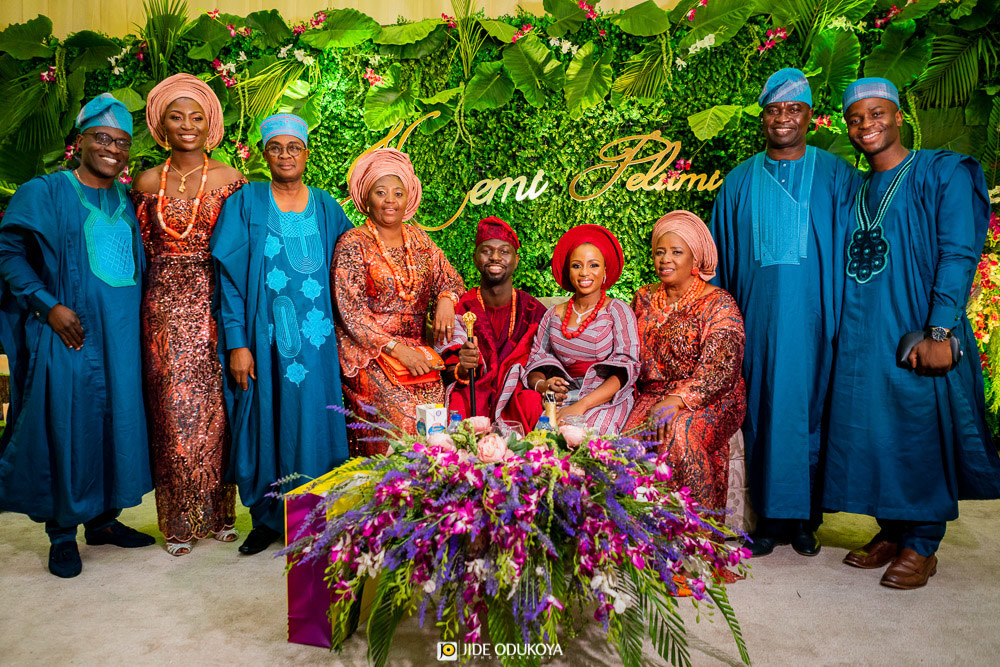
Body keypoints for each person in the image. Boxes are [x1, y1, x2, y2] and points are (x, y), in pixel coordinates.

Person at [824, 78, 1000, 589]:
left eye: (877, 114)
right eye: (855, 119)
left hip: (916, 327)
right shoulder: (856, 188)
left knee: (919, 429)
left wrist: (940, 329)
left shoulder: (939, 172)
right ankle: (892, 529)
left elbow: (959, 252)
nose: (866, 126)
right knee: (876, 431)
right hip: (862, 333)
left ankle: (923, 542)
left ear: (898, 116)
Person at [0, 94, 155, 578]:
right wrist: (48, 305)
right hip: (69, 333)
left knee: (116, 423)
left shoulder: (125, 200)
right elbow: (7, 252)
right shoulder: (45, 191)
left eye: (122, 143)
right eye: (103, 138)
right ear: (80, 140)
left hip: (122, 337)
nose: (112, 149)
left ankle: (104, 521)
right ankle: (63, 532)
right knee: (68, 426)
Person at [711, 68, 860, 557]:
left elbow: (856, 253)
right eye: (773, 109)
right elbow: (716, 266)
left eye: (793, 109)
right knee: (763, 414)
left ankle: (806, 521)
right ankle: (769, 521)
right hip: (757, 323)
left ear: (809, 117)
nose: (783, 118)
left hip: (820, 321)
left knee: (810, 414)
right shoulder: (737, 182)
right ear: (763, 117)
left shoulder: (838, 176)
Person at [211, 114, 352, 555]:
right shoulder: (247, 202)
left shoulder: (326, 206)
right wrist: (237, 342)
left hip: (318, 344)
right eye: (277, 147)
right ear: (263, 154)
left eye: (295, 147)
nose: (286, 155)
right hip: (263, 339)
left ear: (307, 154)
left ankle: (316, 517)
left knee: (314, 424)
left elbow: (353, 268)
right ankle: (267, 520)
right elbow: (229, 280)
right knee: (263, 423)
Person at [131, 74, 246, 556]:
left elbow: (243, 248)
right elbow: (136, 251)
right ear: (161, 124)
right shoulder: (146, 182)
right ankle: (178, 520)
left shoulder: (228, 179)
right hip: (160, 310)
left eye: (196, 116)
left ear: (210, 123)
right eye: (176, 116)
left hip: (214, 306)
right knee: (170, 412)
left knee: (217, 410)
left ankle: (218, 512)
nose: (187, 125)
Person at [333, 148, 464, 454]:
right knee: (405, 423)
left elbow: (451, 279)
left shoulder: (419, 241)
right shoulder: (353, 243)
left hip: (418, 354)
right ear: (367, 198)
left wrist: (446, 298)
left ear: (409, 199)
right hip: (370, 354)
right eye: (381, 192)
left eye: (398, 192)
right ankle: (387, 496)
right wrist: (397, 349)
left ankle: (433, 498)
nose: (390, 200)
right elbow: (351, 314)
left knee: (438, 425)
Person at [623, 211, 746, 512]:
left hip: (713, 396)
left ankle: (696, 536)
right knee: (627, 441)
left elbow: (721, 369)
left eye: (677, 252)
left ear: (696, 260)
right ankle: (640, 536)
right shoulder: (642, 298)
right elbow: (624, 348)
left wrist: (678, 400)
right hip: (654, 393)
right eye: (659, 252)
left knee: (677, 431)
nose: (665, 259)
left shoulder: (718, 302)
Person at [506, 224, 639, 434]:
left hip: (605, 400)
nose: (585, 272)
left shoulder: (617, 311)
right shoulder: (553, 315)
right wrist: (543, 385)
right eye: (577, 266)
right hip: (563, 397)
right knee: (544, 441)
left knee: (586, 442)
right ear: (568, 271)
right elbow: (536, 361)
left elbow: (626, 370)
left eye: (593, 265)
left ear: (605, 270)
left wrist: (581, 406)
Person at [438, 216, 545, 433]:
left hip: (516, 391)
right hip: (475, 389)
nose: (495, 257)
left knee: (531, 401)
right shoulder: (460, 308)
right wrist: (461, 365)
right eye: (487, 250)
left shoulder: (534, 310)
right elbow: (447, 371)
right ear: (475, 257)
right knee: (459, 401)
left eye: (504, 251)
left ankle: (528, 464)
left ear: (516, 259)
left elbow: (544, 362)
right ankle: (460, 465)